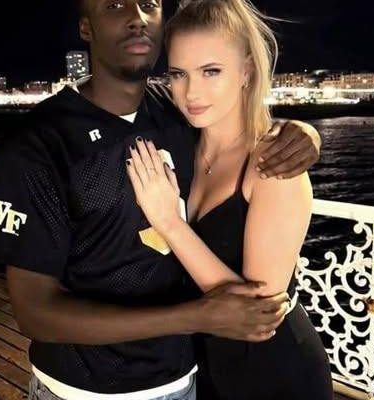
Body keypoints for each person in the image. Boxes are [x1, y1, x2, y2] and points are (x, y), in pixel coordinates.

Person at [0, 1, 323, 399]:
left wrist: (304, 135)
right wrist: (194, 317)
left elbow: (241, 128)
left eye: (149, 4)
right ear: (86, 27)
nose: (136, 18)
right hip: (86, 389)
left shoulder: (175, 118)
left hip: (204, 376)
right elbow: (33, 312)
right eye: (115, 5)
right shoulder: (39, 143)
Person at [125, 0, 333, 399]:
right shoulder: (181, 144)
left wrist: (170, 223)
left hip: (274, 371)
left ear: (247, 72)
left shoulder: (273, 166)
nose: (191, 92)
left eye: (211, 71)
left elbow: (257, 311)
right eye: (179, 74)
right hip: (201, 364)